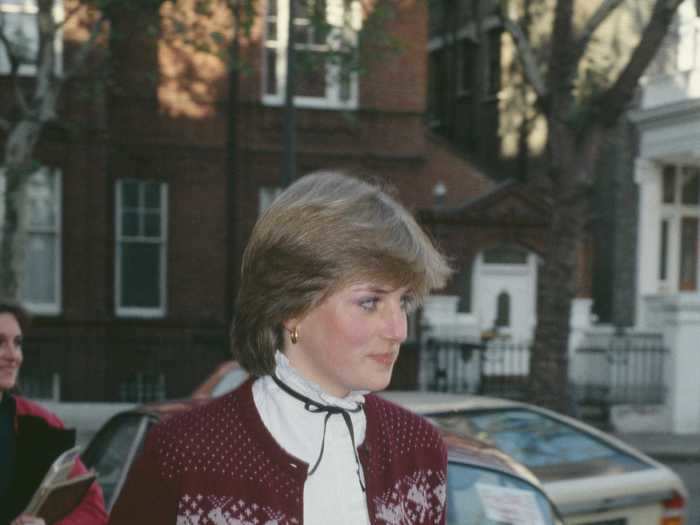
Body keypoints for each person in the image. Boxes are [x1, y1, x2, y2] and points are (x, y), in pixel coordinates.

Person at [109, 171, 452, 525]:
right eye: (370, 302)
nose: (399, 330)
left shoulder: (420, 450)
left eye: (404, 302)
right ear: (292, 309)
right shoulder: (187, 453)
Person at [0, 303, 108, 525]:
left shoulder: (40, 424)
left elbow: (93, 509)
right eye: (0, 342)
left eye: (17, 343)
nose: (13, 356)